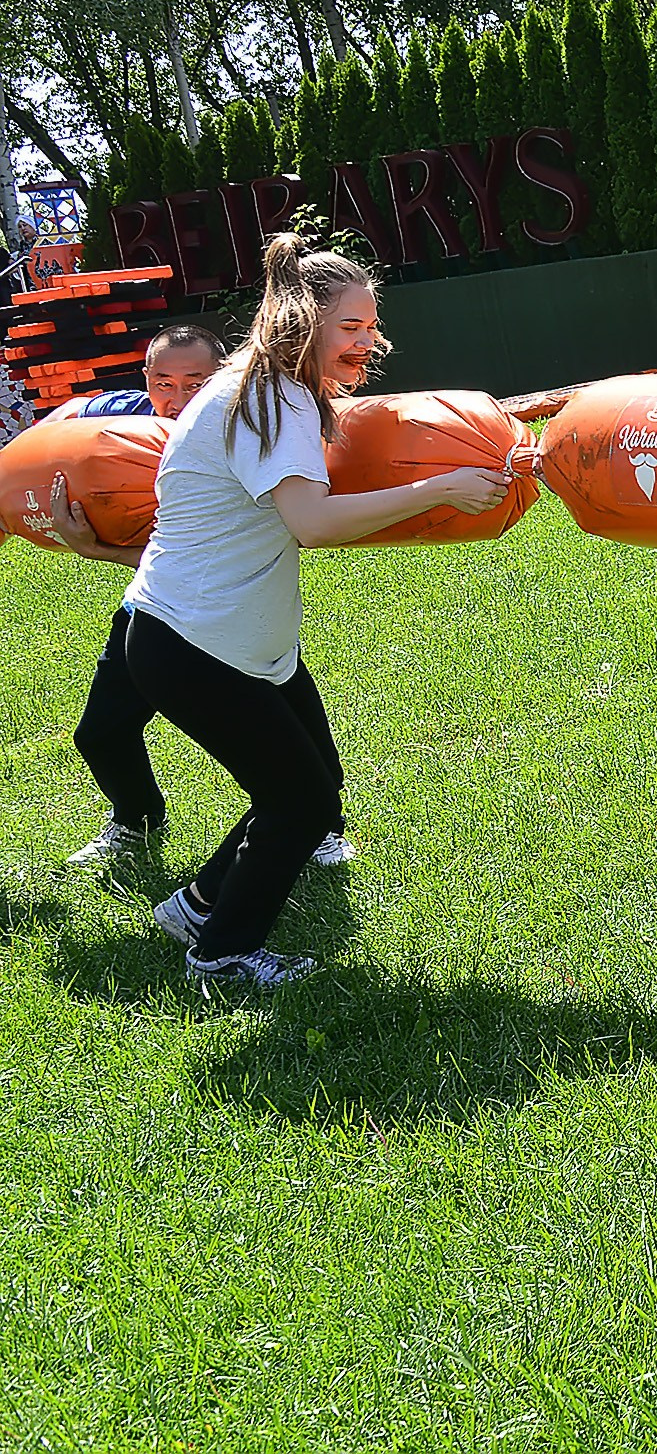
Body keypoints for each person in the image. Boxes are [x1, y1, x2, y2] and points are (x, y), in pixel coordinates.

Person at [124, 234, 514, 990]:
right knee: (300, 804)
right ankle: (223, 956)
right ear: (302, 322)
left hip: (209, 636)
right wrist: (439, 489)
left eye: (373, 326)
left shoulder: (268, 386)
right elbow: (313, 521)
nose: (369, 341)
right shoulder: (273, 396)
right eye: (351, 327)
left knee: (306, 781)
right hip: (193, 642)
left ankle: (197, 907)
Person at [44, 325, 377, 870]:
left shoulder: (244, 426)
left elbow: (234, 546)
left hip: (237, 604)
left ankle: (321, 825)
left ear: (222, 377)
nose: (176, 398)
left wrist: (98, 551)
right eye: (163, 383)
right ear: (145, 380)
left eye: (194, 382)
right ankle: (135, 819)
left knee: (294, 721)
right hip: (158, 604)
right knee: (101, 732)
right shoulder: (126, 427)